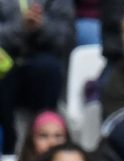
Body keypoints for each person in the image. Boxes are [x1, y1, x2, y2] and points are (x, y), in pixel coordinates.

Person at [0, 0, 74, 153]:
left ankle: (47, 143)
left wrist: (41, 25)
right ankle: (8, 149)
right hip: (4, 58)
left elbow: (66, 36)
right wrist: (21, 27)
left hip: (43, 58)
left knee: (48, 69)